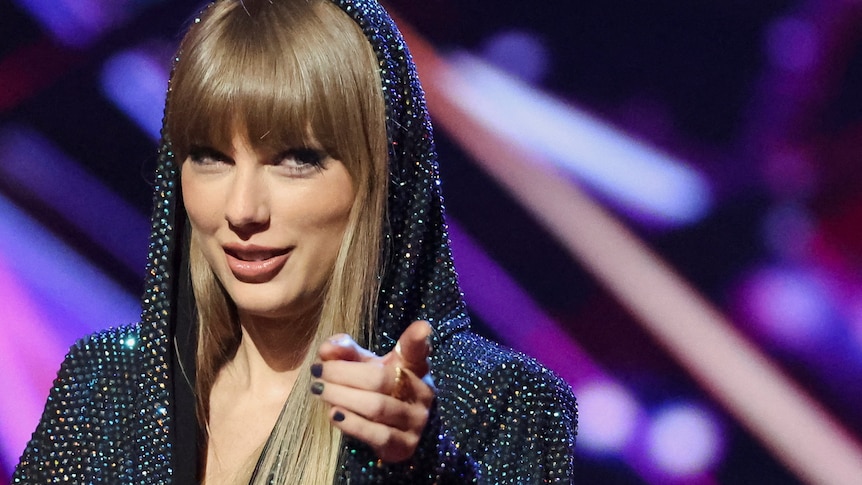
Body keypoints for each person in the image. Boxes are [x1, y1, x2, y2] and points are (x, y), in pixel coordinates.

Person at [13, 0, 578, 483]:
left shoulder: (504, 404)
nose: (241, 211)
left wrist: (420, 465)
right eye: (209, 158)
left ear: (383, 175)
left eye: (296, 160)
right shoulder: (105, 383)